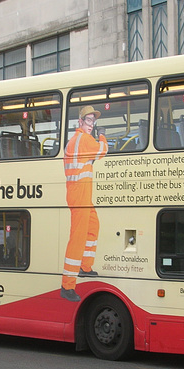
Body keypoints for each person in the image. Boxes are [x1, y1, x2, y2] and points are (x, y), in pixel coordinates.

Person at [61, 106, 108, 302]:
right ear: (80, 122)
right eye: (88, 120)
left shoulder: (78, 141)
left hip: (81, 193)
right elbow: (103, 150)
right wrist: (103, 136)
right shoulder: (83, 139)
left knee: (93, 226)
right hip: (79, 194)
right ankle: (67, 285)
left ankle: (84, 267)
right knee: (78, 237)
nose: (91, 124)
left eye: (93, 121)